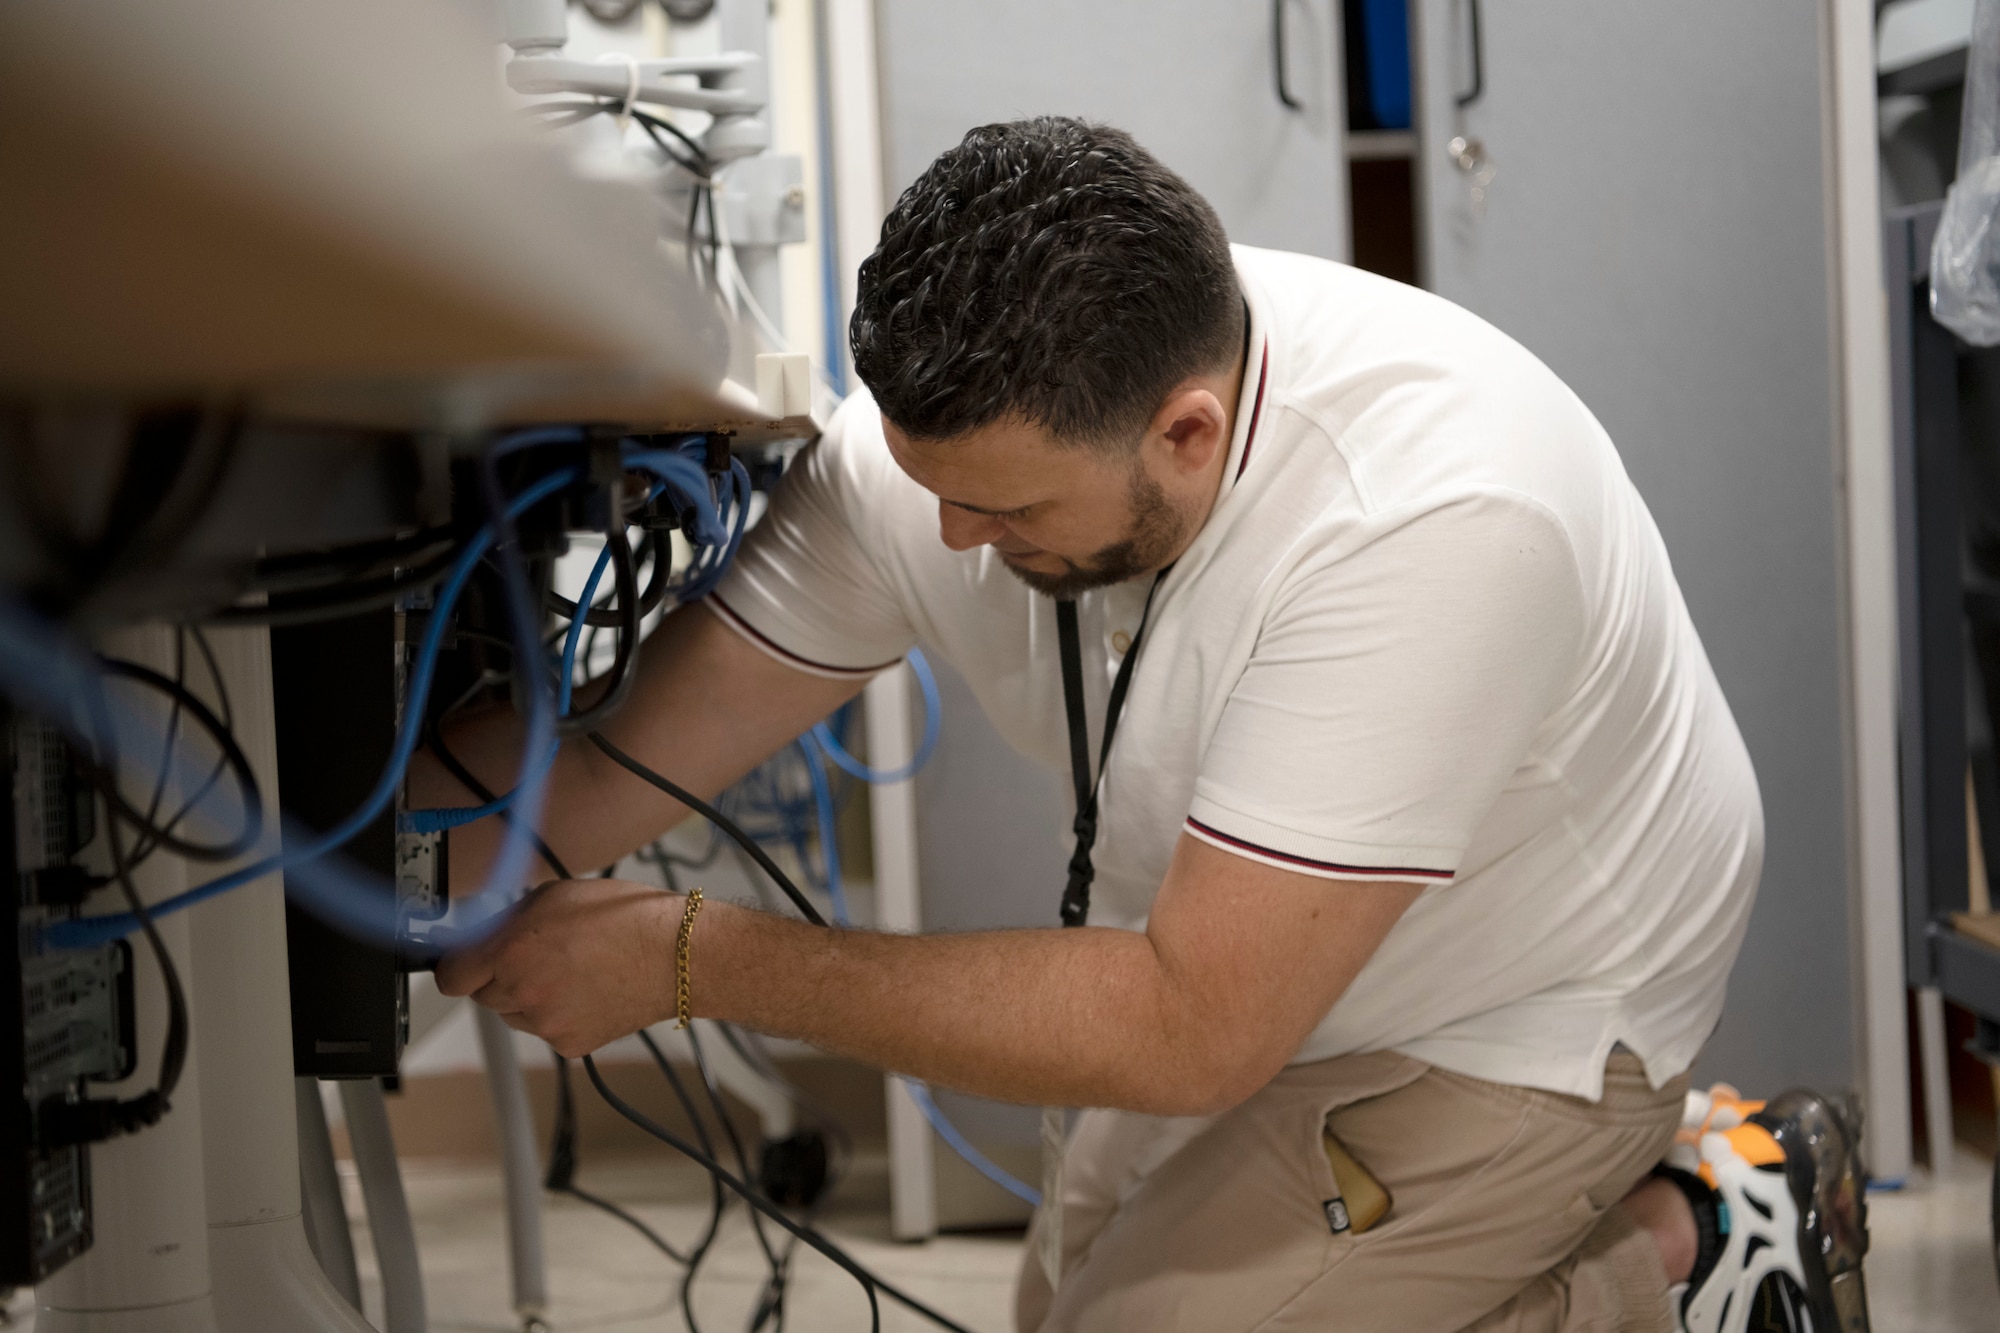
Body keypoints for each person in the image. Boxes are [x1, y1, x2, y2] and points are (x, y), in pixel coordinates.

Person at [427, 117, 1869, 1332]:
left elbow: (1190, 1029)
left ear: (1188, 430)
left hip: (1524, 1004)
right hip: (1241, 954)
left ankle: (1707, 1230)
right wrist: (351, 845)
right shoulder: (955, 455)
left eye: (1006, 509)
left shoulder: (1434, 513)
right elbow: (598, 778)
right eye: (936, 490)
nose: (953, 536)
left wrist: (693, 956)